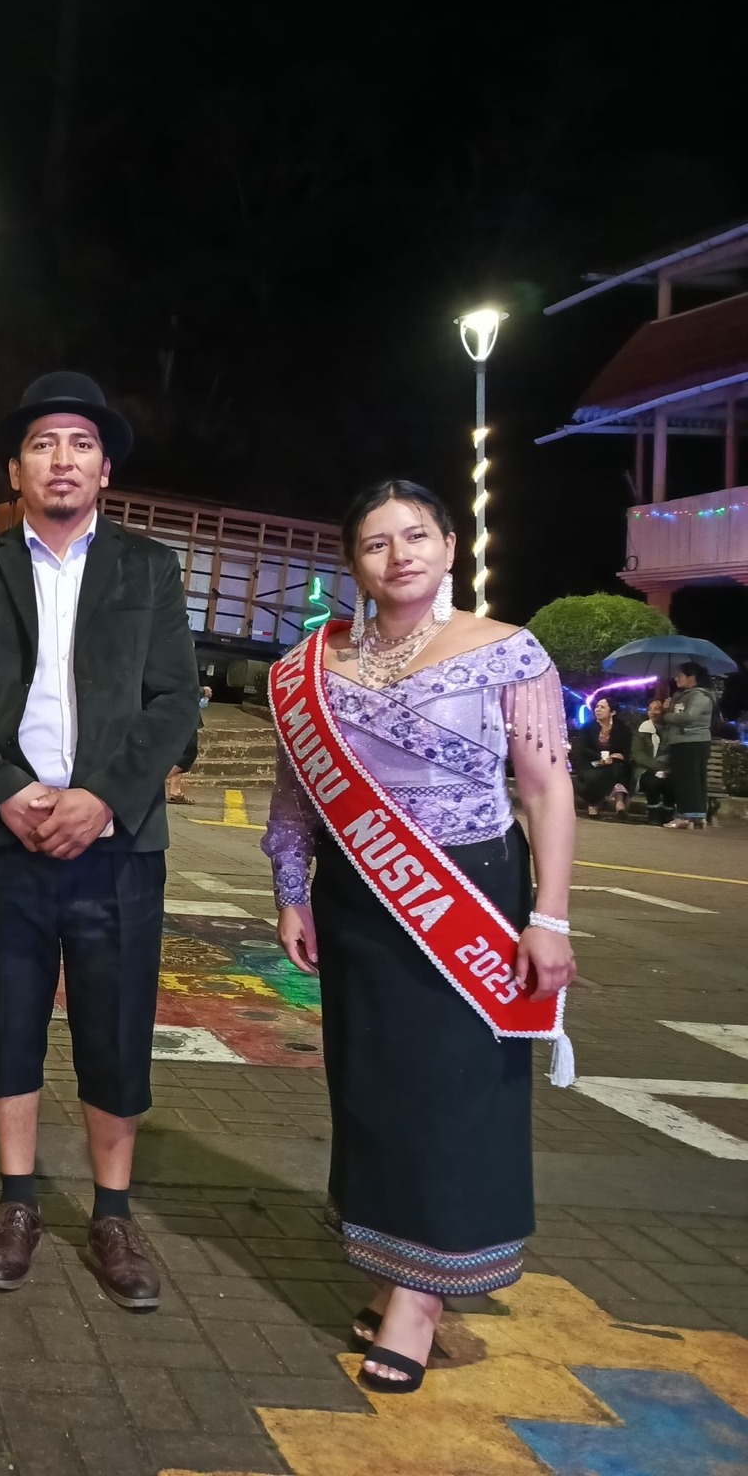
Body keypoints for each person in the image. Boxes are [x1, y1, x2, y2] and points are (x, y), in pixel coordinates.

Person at [267, 479, 577, 1395]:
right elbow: (294, 794)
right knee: (373, 1087)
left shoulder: (507, 651)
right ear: (352, 563)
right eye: (376, 542)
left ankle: (419, 1300)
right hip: (357, 901)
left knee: (453, 1092)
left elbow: (546, 791)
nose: (398, 555)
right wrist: (292, 892)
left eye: (416, 536)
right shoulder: (311, 665)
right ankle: (398, 1264)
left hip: (467, 898)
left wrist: (550, 916)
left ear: (449, 546)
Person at [0, 372, 198, 1303]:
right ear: (16, 470)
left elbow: (175, 701)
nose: (63, 460)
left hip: (117, 844)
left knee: (116, 1027)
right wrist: (5, 792)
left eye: (81, 443)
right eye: (43, 444)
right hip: (8, 837)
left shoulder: (149, 569)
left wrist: (104, 799)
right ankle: (17, 1202)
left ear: (104, 467)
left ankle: (113, 1213)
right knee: (5, 1022)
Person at [662, 663, 716, 830]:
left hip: (693, 742)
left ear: (691, 678)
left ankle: (685, 816)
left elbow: (689, 716)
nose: (676, 678)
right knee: (684, 780)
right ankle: (695, 816)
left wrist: (667, 715)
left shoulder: (700, 695)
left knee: (689, 780)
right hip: (681, 742)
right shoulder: (681, 695)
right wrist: (668, 706)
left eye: (680, 675)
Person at [569, 698, 631, 816]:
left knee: (616, 769)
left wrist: (612, 758)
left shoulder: (622, 729)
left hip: (613, 763)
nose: (598, 709)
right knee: (595, 775)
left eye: (602, 707)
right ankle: (595, 803)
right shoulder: (587, 727)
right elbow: (583, 748)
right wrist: (601, 757)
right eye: (597, 706)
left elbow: (623, 751)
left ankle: (617, 805)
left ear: (612, 712)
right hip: (590, 761)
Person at [632, 697, 673, 823]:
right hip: (646, 769)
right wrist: (658, 767)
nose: (653, 712)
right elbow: (638, 755)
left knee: (671, 783)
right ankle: (653, 814)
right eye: (650, 709)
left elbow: (675, 753)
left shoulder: (672, 731)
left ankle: (668, 813)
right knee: (653, 782)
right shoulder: (643, 730)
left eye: (657, 709)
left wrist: (667, 769)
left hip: (669, 769)